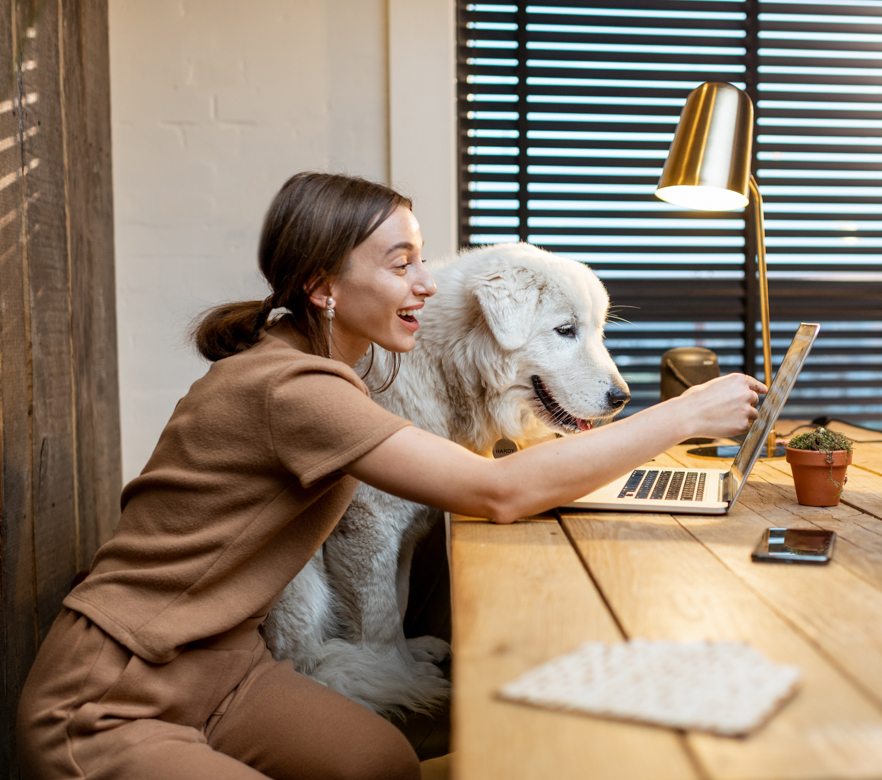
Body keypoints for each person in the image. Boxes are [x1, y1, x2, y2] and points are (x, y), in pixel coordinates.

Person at [16, 172, 766, 780]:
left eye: (422, 258)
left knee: (381, 763)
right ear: (323, 288)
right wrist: (682, 416)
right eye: (401, 264)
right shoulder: (292, 390)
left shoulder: (337, 367)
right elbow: (495, 491)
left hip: (228, 666)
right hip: (114, 693)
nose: (427, 284)